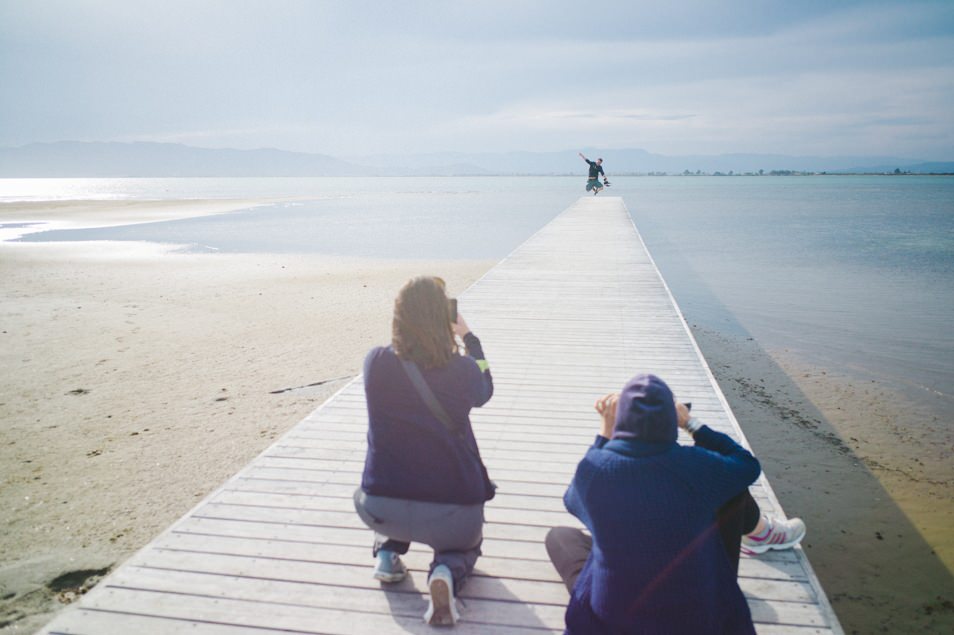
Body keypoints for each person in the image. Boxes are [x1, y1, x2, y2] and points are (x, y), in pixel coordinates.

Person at [545, 374, 806, 634]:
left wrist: (605, 432)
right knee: (729, 487)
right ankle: (760, 533)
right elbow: (748, 464)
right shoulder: (698, 465)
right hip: (697, 619)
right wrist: (691, 423)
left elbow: (572, 501)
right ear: (671, 422)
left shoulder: (595, 470)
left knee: (560, 536)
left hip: (614, 619)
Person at [353, 276, 495, 626]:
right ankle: (445, 571)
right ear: (442, 318)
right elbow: (485, 390)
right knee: (465, 545)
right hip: (453, 512)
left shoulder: (376, 362)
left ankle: (387, 555)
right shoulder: (462, 370)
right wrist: (469, 339)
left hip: (381, 506)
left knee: (398, 483)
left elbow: (401, 355)